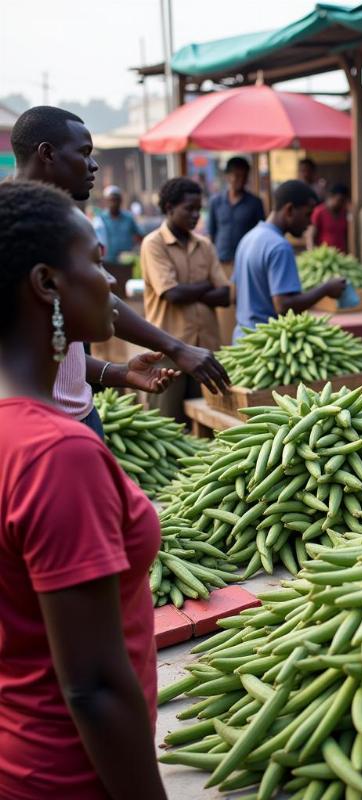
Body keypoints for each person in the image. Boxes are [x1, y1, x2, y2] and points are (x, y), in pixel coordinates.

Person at [0, 180, 166, 799]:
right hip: (73, 774)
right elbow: (93, 687)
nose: (114, 283)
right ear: (47, 285)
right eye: (96, 261)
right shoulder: (58, 453)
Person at [11, 106, 230, 437]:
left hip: (81, 415)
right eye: (84, 153)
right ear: (47, 154)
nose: (94, 164)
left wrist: (117, 372)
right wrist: (176, 347)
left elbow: (57, 352)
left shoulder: (68, 219)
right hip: (42, 431)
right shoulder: (11, 229)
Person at [140, 177, 232, 422]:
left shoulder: (205, 245)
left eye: (198, 209)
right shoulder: (154, 244)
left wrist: (189, 290)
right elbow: (172, 294)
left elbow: (224, 296)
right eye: (189, 209)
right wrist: (206, 286)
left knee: (206, 421)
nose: (195, 215)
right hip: (169, 352)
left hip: (206, 351)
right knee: (168, 423)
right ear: (169, 208)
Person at [233, 180, 346, 340]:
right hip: (265, 344)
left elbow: (233, 294)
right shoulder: (279, 246)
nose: (309, 223)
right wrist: (326, 289)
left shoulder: (248, 238)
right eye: (307, 214)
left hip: (242, 338)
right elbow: (284, 306)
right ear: (290, 210)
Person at [207, 156, 265, 344]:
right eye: (235, 176)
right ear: (227, 176)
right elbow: (212, 234)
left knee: (246, 308)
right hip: (222, 265)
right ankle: (226, 348)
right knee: (225, 313)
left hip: (245, 266)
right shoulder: (216, 202)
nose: (238, 180)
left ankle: (245, 346)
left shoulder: (255, 203)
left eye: (243, 176)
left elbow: (261, 233)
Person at [93, 185, 142, 268]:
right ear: (106, 201)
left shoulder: (129, 218)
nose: (114, 203)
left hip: (125, 262)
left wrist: (135, 252)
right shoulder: (100, 219)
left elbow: (139, 236)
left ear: (120, 201)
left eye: (116, 200)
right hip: (107, 263)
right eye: (111, 200)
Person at [307, 183, 349, 252]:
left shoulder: (344, 213)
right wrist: (312, 252)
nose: (341, 203)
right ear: (331, 197)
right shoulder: (319, 211)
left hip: (340, 254)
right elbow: (311, 235)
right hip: (324, 256)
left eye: (344, 201)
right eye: (340, 200)